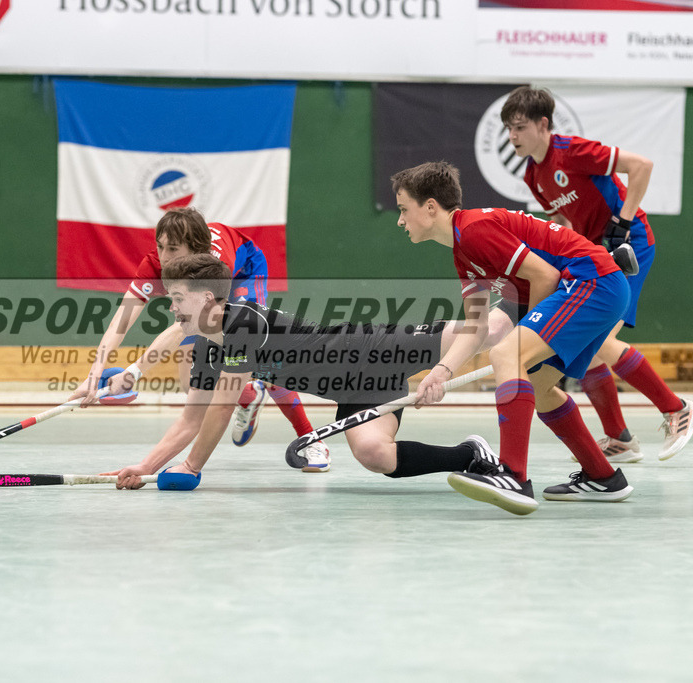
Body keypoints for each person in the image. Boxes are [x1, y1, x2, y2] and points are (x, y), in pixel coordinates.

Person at [102, 253, 501, 491]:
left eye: (177, 298)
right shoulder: (209, 348)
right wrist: (146, 467)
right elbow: (191, 420)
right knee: (375, 455)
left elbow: (223, 408)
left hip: (374, 348)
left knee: (480, 332)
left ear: (207, 298)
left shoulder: (242, 324)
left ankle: (534, 305)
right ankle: (471, 456)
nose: (171, 308)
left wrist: (191, 467)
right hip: (357, 389)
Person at [394, 161, 636, 516]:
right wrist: (441, 372)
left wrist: (528, 340)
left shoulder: (475, 229)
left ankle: (513, 476)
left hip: (591, 282)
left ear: (430, 207)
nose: (400, 220)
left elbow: (545, 275)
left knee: (508, 356)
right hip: (598, 286)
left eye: (404, 209)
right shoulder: (463, 251)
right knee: (538, 385)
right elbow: (475, 326)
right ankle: (603, 477)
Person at [495, 86, 689, 462]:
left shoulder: (572, 151)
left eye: (519, 127)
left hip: (631, 245)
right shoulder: (534, 176)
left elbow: (641, 166)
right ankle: (619, 438)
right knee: (588, 345)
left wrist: (623, 219)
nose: (512, 137)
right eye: (508, 129)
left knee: (597, 341)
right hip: (596, 255)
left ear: (543, 124)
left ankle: (675, 407)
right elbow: (562, 221)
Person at [70, 207, 331, 471]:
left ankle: (310, 439)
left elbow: (182, 328)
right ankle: (248, 396)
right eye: (160, 247)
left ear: (197, 250)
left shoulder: (213, 266)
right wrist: (93, 376)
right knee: (192, 383)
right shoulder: (153, 265)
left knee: (261, 358)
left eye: (173, 249)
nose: (163, 257)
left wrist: (133, 373)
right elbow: (121, 321)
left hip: (245, 273)